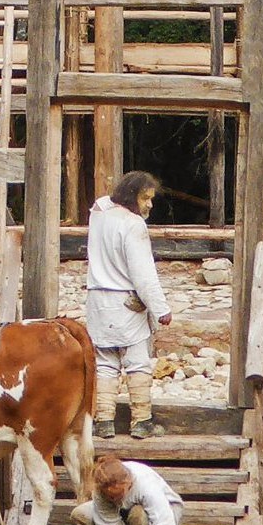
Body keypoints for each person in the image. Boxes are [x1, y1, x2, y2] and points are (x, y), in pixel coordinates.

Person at [85, 169, 171, 439]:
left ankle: (104, 421)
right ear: (133, 196)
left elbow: (103, 201)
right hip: (126, 302)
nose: (149, 205)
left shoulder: (98, 212)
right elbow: (143, 275)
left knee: (105, 363)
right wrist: (161, 309)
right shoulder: (133, 225)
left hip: (98, 300)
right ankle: (141, 421)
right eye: (146, 198)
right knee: (137, 362)